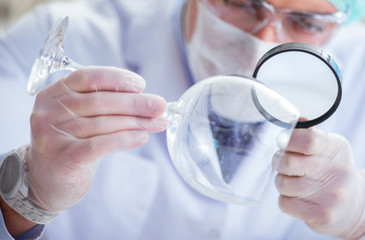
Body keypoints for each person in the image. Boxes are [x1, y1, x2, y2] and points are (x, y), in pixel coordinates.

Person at [1, 0, 365, 239]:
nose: (264, 40)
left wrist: (358, 221)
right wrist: (25, 199)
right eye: (241, 2)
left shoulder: (358, 70)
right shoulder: (54, 38)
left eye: (306, 22)